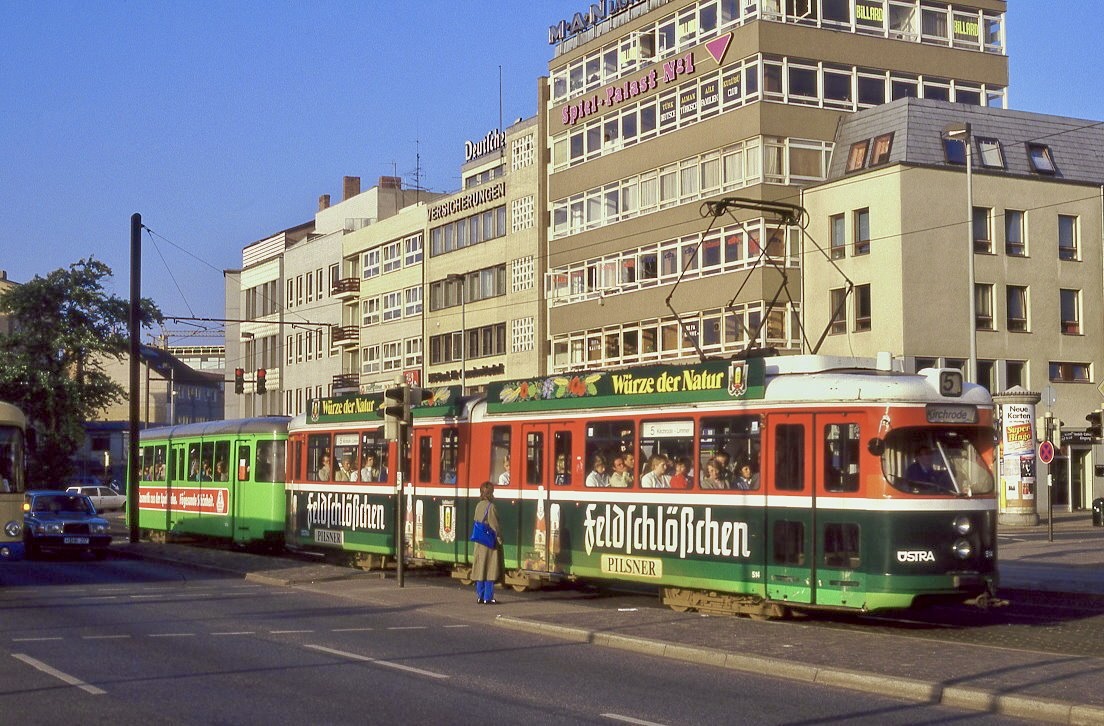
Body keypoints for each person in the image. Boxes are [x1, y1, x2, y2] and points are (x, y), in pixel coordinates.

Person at [472, 481, 502, 605]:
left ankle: (480, 596)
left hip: (479, 542)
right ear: (491, 493)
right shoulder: (491, 507)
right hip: (489, 543)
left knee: (481, 569)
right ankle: (488, 597)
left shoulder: (478, 505)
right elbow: (495, 526)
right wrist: (499, 539)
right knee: (490, 569)